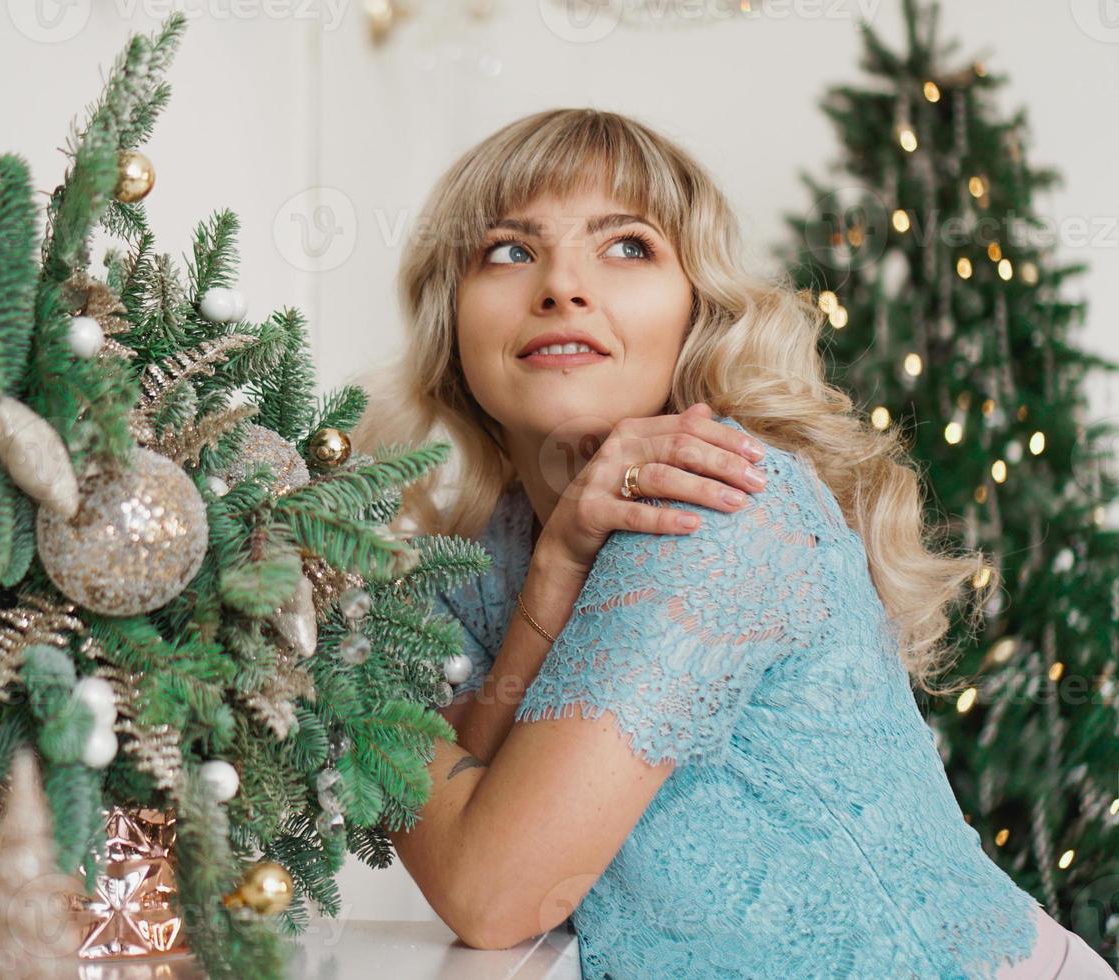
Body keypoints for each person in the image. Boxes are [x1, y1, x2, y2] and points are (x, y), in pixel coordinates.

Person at [352, 108, 1117, 979]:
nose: (561, 285)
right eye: (509, 250)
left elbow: (492, 892)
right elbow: (457, 839)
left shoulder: (719, 501)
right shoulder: (460, 566)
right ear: (452, 323)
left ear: (697, 311)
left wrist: (445, 745)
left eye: (628, 246)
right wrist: (551, 578)